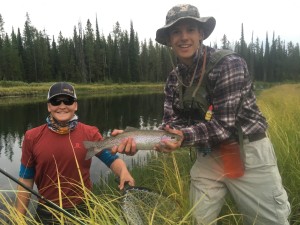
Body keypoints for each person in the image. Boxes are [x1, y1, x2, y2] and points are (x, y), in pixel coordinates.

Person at [112, 4, 291, 225]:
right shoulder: (173, 79)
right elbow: (170, 124)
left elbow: (223, 126)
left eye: (190, 30)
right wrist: (134, 140)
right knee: (198, 219)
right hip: (208, 154)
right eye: (176, 32)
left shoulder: (228, 64)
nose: (183, 37)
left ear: (201, 34)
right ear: (169, 40)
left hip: (249, 152)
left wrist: (181, 137)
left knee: (269, 221)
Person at [15, 82, 135, 224]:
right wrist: (18, 219)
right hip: (47, 211)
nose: (62, 106)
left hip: (83, 209)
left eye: (68, 100)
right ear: (48, 106)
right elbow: (26, 179)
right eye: (55, 101)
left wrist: (123, 172)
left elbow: (111, 159)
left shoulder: (90, 133)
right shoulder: (32, 137)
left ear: (75, 105)